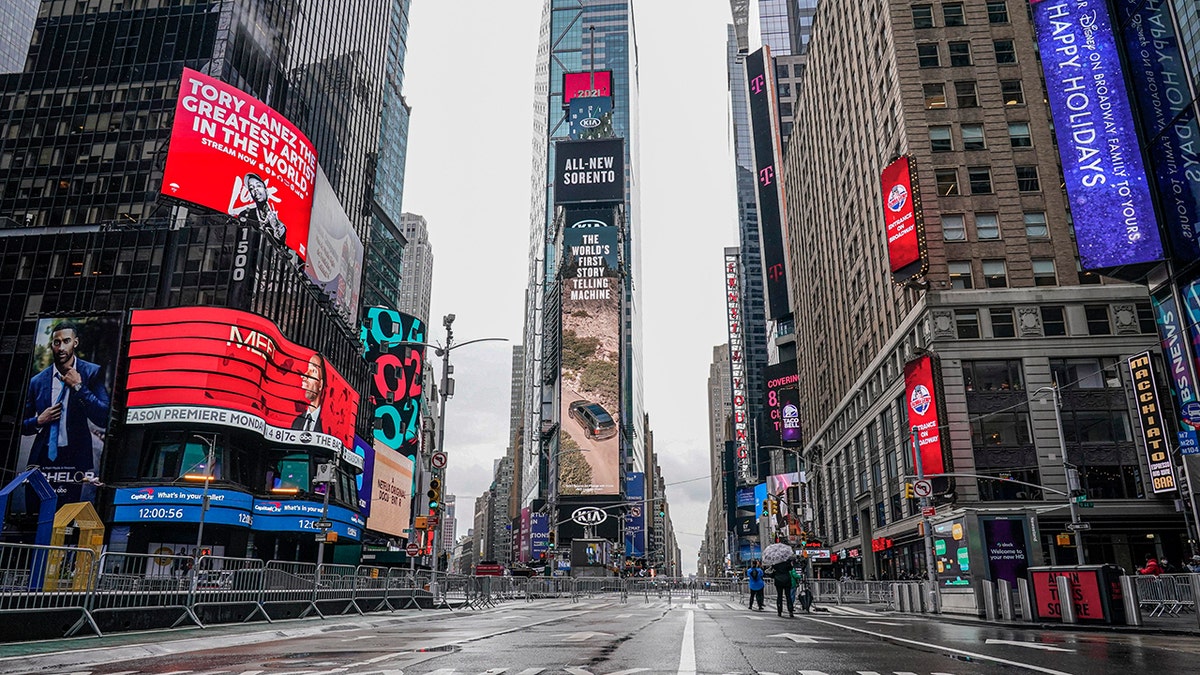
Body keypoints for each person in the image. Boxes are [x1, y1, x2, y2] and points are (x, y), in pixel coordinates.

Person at [22, 321, 110, 473]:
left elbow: (103, 417)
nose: (61, 348)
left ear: (75, 343)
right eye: (57, 342)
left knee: (74, 498)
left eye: (66, 341)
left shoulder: (92, 372)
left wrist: (78, 387)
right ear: (52, 345)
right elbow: (21, 425)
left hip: (74, 458)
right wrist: (39, 421)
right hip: (41, 459)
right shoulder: (37, 381)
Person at [234, 172, 286, 243]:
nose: (255, 190)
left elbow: (281, 244)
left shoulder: (279, 218)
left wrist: (275, 226)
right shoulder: (246, 214)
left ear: (266, 191)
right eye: (251, 188)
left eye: (258, 186)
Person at [292, 353, 325, 432]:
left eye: (313, 371)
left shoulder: (326, 426)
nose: (306, 375)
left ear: (320, 384)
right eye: (307, 369)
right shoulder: (297, 422)